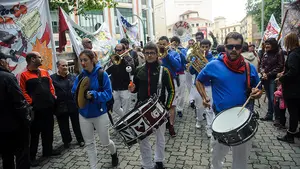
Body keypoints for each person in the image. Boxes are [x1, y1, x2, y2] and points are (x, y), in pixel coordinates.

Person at [196, 32, 262, 169]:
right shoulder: (214, 65)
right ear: (225, 46)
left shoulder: (249, 68)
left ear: (241, 47)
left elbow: (258, 88)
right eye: (230, 46)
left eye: (237, 47)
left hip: (243, 119)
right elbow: (199, 80)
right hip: (220, 118)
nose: (233, 50)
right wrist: (204, 97)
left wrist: (258, 93)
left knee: (241, 160)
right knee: (216, 155)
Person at [128, 42, 175, 169]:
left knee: (160, 137)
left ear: (157, 54)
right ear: (144, 54)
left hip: (159, 109)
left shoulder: (164, 71)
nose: (149, 55)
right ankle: (147, 164)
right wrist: (133, 89)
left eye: (152, 53)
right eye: (147, 53)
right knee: (143, 138)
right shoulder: (138, 70)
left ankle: (159, 160)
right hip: (141, 109)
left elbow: (171, 90)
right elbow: (136, 88)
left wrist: (167, 107)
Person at [71, 50, 118, 168]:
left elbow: (108, 94)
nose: (82, 63)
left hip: (99, 114)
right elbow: (74, 92)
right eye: (81, 60)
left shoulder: (102, 74)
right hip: (84, 114)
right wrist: (79, 95)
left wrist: (94, 95)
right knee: (89, 144)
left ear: (92, 60)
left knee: (105, 142)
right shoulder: (81, 76)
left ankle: (114, 153)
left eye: (85, 60)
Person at [19, 51, 60, 166]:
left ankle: (48, 151)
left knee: (49, 130)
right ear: (32, 59)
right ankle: (31, 157)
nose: (41, 59)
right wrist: (32, 102)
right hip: (36, 110)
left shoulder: (45, 72)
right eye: (39, 57)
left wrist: (52, 97)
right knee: (35, 134)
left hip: (48, 107)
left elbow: (51, 86)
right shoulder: (24, 75)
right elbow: (22, 91)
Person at [0, 52, 31, 169]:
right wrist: (27, 120)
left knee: (6, 156)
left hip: (2, 129)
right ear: (1, 62)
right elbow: (19, 102)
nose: (8, 64)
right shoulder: (7, 77)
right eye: (7, 61)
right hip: (15, 125)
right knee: (22, 154)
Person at [51, 59, 84, 149]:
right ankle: (66, 141)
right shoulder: (52, 78)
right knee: (63, 125)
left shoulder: (73, 76)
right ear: (58, 67)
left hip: (73, 104)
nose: (65, 67)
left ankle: (80, 139)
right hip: (60, 105)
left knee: (76, 123)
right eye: (63, 66)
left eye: (66, 65)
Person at [189, 39, 215, 138]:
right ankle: (199, 120)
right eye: (202, 47)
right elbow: (191, 72)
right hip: (198, 86)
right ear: (200, 47)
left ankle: (209, 128)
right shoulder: (195, 58)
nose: (204, 49)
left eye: (206, 47)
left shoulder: (212, 59)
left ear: (209, 47)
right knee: (199, 106)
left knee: (209, 107)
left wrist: (206, 63)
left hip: (209, 85)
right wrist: (194, 62)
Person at [277, 33, 300, 143]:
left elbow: (293, 71)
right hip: (297, 88)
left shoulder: (293, 54)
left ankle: (290, 135)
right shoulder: (297, 53)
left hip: (293, 89)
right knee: (298, 112)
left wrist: (282, 78)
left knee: (293, 112)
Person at [157, 36, 181, 137]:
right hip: (158, 81)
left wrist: (167, 56)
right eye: (160, 44)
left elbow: (178, 66)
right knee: (159, 102)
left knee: (172, 104)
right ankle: (160, 123)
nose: (162, 46)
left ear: (168, 44)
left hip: (171, 80)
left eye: (164, 44)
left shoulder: (175, 53)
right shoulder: (156, 53)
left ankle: (171, 125)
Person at [106, 43, 135, 117]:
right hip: (115, 88)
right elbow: (107, 72)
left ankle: (126, 123)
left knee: (126, 109)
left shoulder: (128, 58)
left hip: (125, 88)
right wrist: (110, 63)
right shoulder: (113, 59)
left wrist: (123, 60)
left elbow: (131, 69)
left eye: (119, 50)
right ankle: (126, 120)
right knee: (115, 107)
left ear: (124, 50)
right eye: (116, 50)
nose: (117, 52)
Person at [260, 38, 284, 121]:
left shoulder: (279, 52)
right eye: (266, 44)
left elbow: (280, 66)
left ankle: (277, 117)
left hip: (273, 79)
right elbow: (261, 65)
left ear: (273, 45)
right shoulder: (265, 53)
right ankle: (269, 115)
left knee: (273, 98)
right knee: (269, 98)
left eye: (268, 44)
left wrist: (269, 74)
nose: (266, 46)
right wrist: (263, 73)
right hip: (265, 78)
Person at [170, 36, 187, 117]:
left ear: (178, 43)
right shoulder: (169, 51)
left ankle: (180, 109)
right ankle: (172, 108)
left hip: (181, 73)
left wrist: (180, 53)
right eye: (173, 42)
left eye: (176, 42)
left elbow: (185, 60)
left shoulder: (182, 50)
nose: (175, 44)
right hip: (172, 74)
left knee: (181, 92)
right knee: (173, 92)